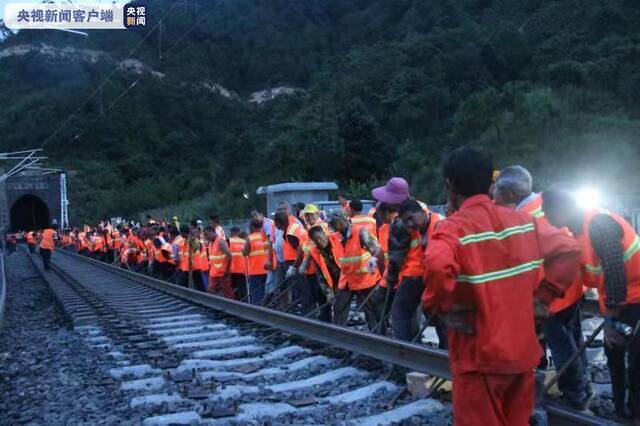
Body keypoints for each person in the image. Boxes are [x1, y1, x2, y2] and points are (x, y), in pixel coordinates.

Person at [422, 147, 581, 426]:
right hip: (521, 354)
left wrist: (441, 307)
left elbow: (436, 266)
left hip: (478, 357)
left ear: (450, 185)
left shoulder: (452, 229)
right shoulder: (523, 222)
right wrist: (544, 298)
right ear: (491, 183)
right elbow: (569, 249)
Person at [495, 166, 590, 408]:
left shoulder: (524, 217)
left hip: (550, 292)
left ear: (509, 193)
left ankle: (574, 396)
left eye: (497, 192)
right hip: (571, 283)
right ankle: (584, 386)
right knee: (573, 338)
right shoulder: (542, 202)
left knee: (561, 344)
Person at [543, 188, 640, 421]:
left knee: (635, 362)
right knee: (614, 357)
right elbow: (586, 273)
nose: (546, 218)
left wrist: (610, 321)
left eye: (548, 212)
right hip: (620, 301)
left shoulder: (599, 224)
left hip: (635, 297)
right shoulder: (576, 232)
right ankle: (620, 412)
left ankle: (634, 413)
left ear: (562, 210)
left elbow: (615, 271)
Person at [372, 177, 445, 344]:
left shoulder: (400, 222)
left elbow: (396, 257)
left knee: (400, 314)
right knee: (436, 315)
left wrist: (390, 279)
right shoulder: (421, 208)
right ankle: (443, 354)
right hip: (431, 271)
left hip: (414, 273)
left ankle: (406, 358)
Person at [328, 209, 384, 331]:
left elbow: (377, 251)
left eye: (334, 223)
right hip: (347, 279)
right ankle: (338, 335)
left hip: (364, 279)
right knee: (339, 307)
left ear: (343, 220)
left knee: (371, 311)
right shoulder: (337, 237)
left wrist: (374, 260)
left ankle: (378, 335)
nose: (332, 226)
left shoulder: (360, 232)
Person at [305, 225, 339, 322]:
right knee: (320, 293)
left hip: (344, 279)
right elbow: (321, 275)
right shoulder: (316, 252)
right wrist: (328, 292)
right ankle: (326, 323)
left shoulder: (337, 242)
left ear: (324, 234)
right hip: (331, 280)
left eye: (320, 238)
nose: (319, 242)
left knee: (340, 306)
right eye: (315, 240)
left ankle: (339, 326)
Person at [244, 220, 269, 305]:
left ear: (252, 226)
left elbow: (244, 253)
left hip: (255, 270)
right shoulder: (265, 236)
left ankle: (257, 308)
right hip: (266, 269)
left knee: (255, 293)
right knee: (265, 291)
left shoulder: (250, 237)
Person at [205, 226, 233, 298]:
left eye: (207, 234)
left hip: (222, 273)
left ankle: (232, 307)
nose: (206, 237)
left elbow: (229, 255)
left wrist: (227, 270)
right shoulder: (212, 243)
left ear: (213, 232)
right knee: (211, 292)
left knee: (227, 293)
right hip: (215, 274)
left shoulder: (220, 241)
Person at [228, 227, 248, 300]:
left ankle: (234, 301)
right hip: (242, 268)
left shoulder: (228, 241)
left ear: (231, 232)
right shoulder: (244, 241)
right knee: (242, 287)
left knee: (232, 286)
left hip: (231, 268)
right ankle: (243, 302)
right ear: (239, 232)